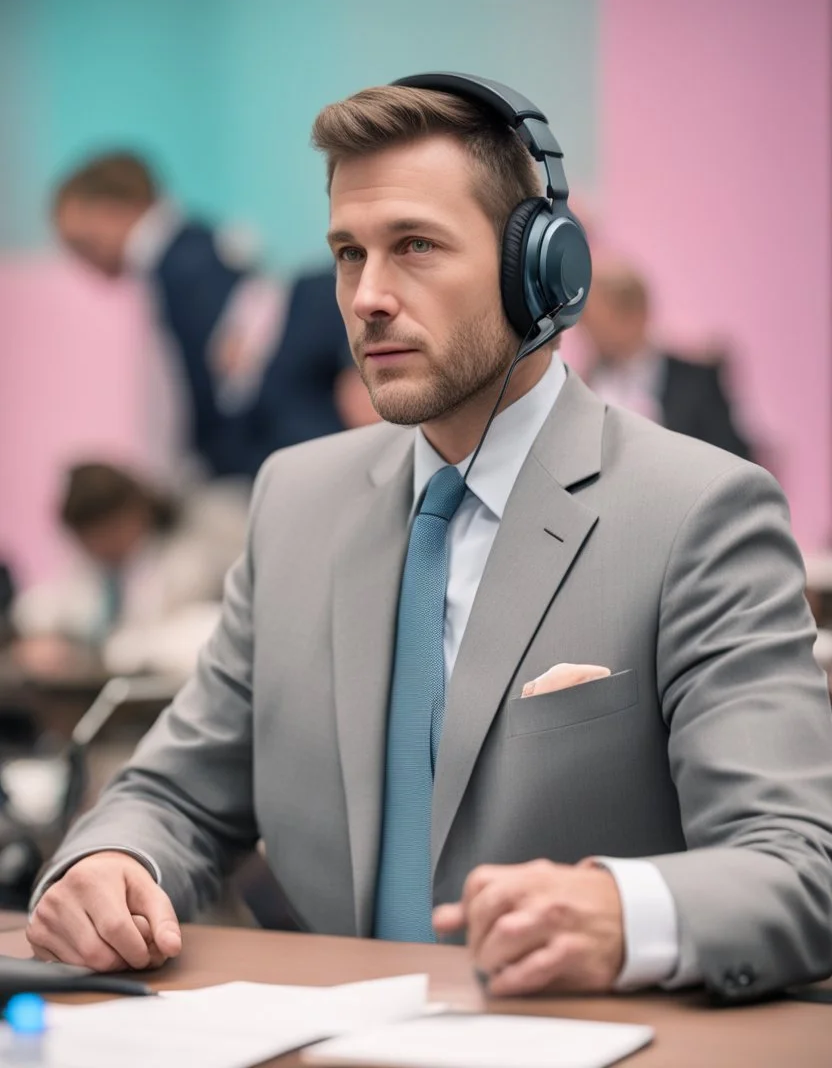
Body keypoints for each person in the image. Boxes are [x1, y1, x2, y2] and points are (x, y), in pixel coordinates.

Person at [28, 76, 832, 1002]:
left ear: (541, 272)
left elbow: (799, 865)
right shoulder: (295, 501)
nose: (367, 297)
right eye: (346, 253)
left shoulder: (700, 512)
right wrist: (109, 860)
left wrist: (629, 911)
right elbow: (174, 793)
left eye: (414, 246)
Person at [52, 153, 371, 480]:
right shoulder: (193, 249)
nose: (86, 265)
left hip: (280, 422)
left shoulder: (177, 263)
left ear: (112, 209)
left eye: (83, 244)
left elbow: (209, 379)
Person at [13, 463, 247, 680]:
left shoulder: (187, 566)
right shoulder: (90, 570)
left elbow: (186, 639)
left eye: (108, 530)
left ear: (137, 513)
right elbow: (43, 606)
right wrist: (40, 635)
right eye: (87, 539)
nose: (100, 545)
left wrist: (102, 653)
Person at [579, 253, 755, 459]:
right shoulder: (584, 383)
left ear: (635, 314)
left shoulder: (696, 381)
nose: (587, 331)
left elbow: (732, 458)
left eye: (596, 320)